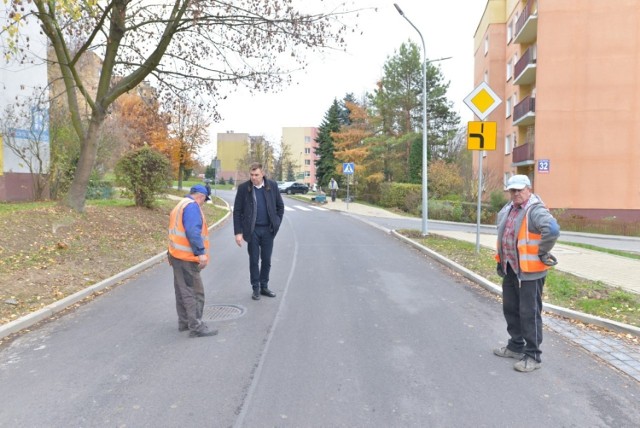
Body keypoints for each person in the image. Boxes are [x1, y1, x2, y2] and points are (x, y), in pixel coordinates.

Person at [494, 174, 560, 372]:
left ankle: (532, 355)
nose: (515, 194)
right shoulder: (509, 208)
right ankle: (516, 346)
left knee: (529, 313)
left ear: (528, 189)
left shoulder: (535, 210)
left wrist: (542, 251)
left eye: (519, 190)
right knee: (511, 309)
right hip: (510, 268)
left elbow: (552, 229)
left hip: (530, 271)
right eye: (512, 190)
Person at [167, 184, 218, 338]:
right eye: (204, 200)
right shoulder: (192, 207)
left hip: (176, 255)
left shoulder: (180, 205)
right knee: (195, 292)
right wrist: (200, 253)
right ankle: (196, 327)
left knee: (181, 290)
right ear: (201, 196)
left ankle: (184, 323)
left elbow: (174, 231)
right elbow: (192, 231)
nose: (203, 203)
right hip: (187, 258)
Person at [233, 162, 285, 300]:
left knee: (266, 260)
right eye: (251, 175)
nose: (254, 178)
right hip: (252, 230)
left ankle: (264, 286)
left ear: (262, 174)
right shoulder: (244, 188)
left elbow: (280, 207)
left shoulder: (272, 186)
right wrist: (238, 233)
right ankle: (255, 288)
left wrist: (277, 222)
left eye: (256, 175)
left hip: (268, 230)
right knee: (254, 260)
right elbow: (237, 211)